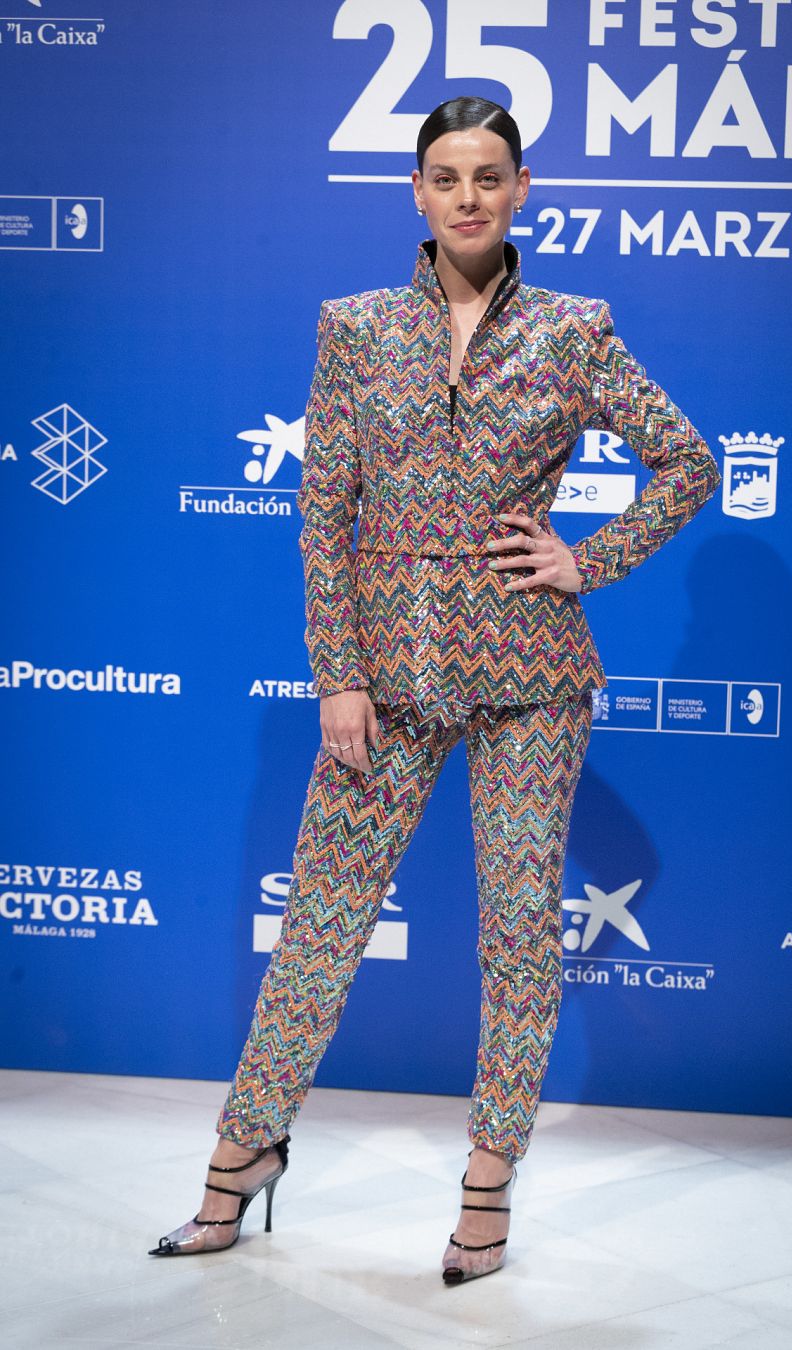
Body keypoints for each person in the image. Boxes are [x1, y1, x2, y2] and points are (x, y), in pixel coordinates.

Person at [149, 95, 721, 1283]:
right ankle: (243, 1156)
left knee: (517, 940)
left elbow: (687, 460)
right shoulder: (354, 329)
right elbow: (325, 513)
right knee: (319, 928)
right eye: (447, 176)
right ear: (417, 192)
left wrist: (588, 558)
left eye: (490, 176)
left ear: (523, 193)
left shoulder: (574, 330)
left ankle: (488, 1183)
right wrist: (339, 677)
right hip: (387, 684)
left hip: (533, 682)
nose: (468, 196)